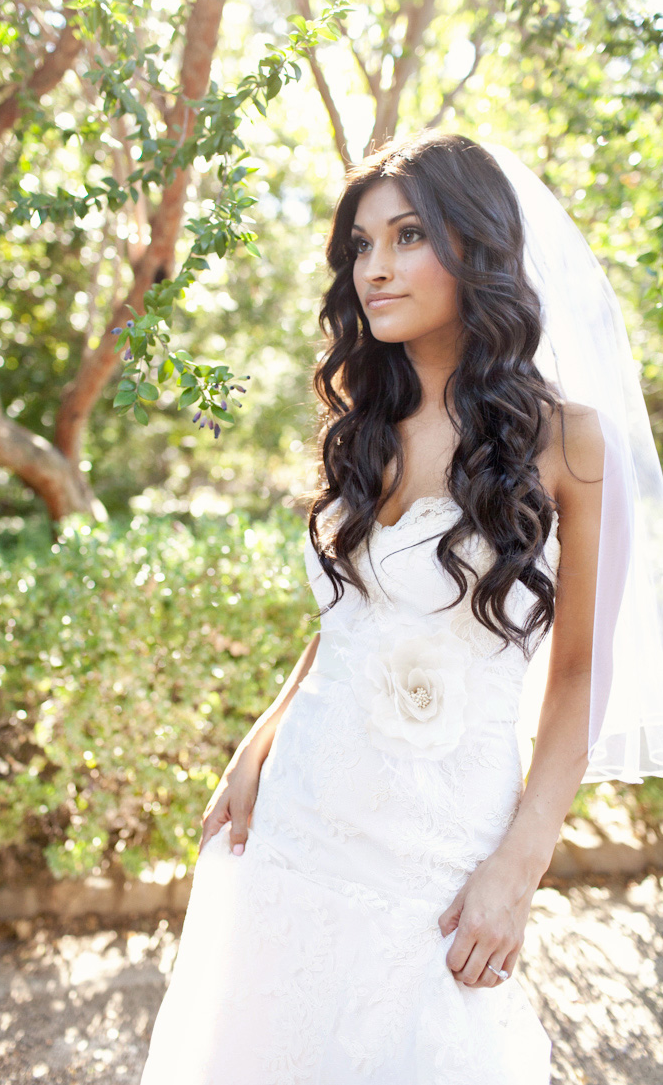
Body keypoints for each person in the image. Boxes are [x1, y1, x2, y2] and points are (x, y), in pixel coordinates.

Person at [138, 130, 649, 1084]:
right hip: (302, 811)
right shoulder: (362, 423)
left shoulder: (573, 445)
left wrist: (521, 860)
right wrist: (259, 740)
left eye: (407, 236)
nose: (374, 268)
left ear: (478, 244)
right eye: (360, 246)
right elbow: (348, 616)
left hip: (441, 840)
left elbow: (581, 672)